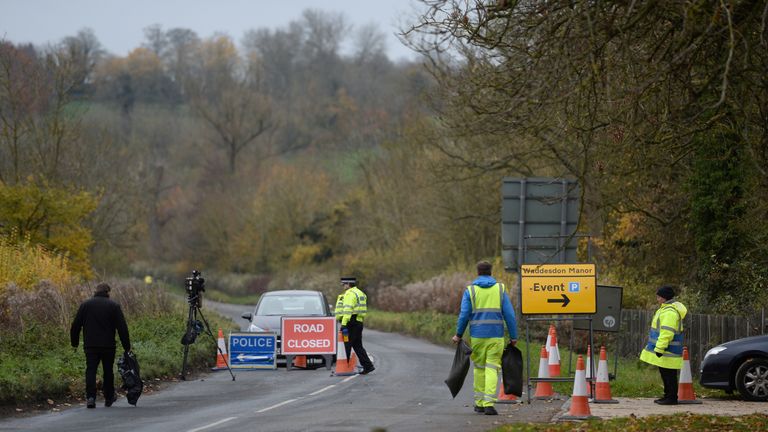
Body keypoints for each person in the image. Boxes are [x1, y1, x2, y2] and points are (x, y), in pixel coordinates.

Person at [452, 261, 517, 416]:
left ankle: (479, 403)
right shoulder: (500, 289)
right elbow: (509, 315)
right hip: (496, 336)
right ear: (491, 272)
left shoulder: (471, 290)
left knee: (479, 368)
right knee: (492, 368)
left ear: (478, 272)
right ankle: (489, 404)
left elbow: (464, 315)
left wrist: (458, 335)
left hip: (477, 337)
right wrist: (513, 336)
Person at [70, 282, 131, 408]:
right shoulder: (114, 306)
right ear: (108, 292)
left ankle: (91, 397)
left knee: (90, 370)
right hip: (108, 346)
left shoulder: (85, 305)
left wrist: (74, 343)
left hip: (90, 345)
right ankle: (109, 397)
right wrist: (127, 346)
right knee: (108, 371)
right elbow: (122, 328)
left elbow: (75, 326)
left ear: (95, 291)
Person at [639, 285, 688, 405]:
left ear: (664, 298)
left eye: (659, 296)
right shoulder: (664, 310)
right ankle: (667, 396)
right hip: (667, 350)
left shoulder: (669, 312)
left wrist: (660, 348)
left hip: (668, 350)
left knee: (669, 375)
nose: (657, 298)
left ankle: (671, 398)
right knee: (666, 374)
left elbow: (667, 332)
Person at [339, 277, 375, 374]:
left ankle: (346, 367)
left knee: (347, 344)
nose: (343, 286)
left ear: (348, 284)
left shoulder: (349, 294)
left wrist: (344, 324)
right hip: (359, 322)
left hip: (351, 322)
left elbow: (348, 310)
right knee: (357, 345)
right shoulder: (360, 293)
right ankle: (368, 366)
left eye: (343, 284)